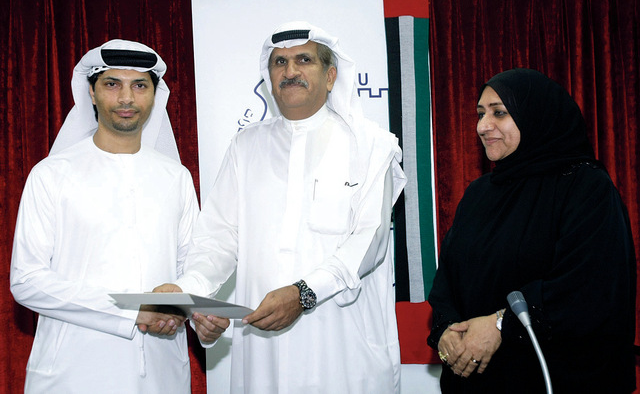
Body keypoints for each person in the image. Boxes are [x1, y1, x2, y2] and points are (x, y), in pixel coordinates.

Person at [155, 21, 407, 393]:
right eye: (279, 62)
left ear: (330, 76)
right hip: (263, 349)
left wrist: (304, 293)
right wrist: (193, 293)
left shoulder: (371, 145)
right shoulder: (245, 146)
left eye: (304, 59)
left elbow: (370, 242)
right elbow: (217, 239)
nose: (290, 71)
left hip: (342, 347)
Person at [427, 68, 637, 393]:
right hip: (477, 381)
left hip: (554, 377)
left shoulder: (585, 187)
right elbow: (448, 280)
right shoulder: (479, 193)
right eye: (480, 114)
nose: (483, 126)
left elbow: (589, 288)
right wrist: (446, 329)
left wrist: (501, 324)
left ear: (535, 115)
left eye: (499, 113)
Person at [10, 39, 202, 393]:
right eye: (112, 84)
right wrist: (131, 311)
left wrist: (195, 310)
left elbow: (193, 268)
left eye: (139, 85)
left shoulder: (176, 177)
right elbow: (26, 280)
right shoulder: (51, 174)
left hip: (162, 373)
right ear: (92, 93)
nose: (126, 98)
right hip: (73, 372)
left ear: (154, 96)